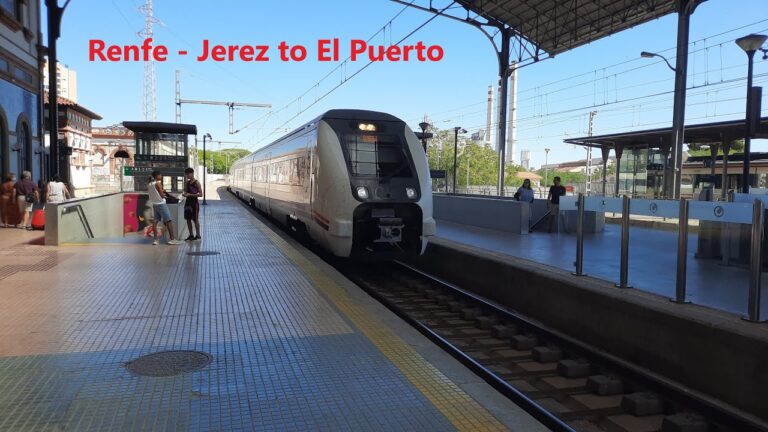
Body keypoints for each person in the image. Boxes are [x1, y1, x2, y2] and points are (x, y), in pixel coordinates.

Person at [147, 171, 181, 245]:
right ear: (157, 176)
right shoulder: (158, 183)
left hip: (155, 205)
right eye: (160, 175)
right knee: (168, 221)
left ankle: (156, 240)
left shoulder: (149, 184)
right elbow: (162, 195)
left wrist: (161, 191)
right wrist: (164, 193)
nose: (161, 176)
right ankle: (172, 239)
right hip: (161, 204)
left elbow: (155, 193)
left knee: (155, 222)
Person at [182, 167, 202, 241]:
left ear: (192, 173)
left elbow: (200, 194)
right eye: (186, 174)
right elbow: (185, 191)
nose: (187, 176)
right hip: (188, 203)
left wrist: (190, 195)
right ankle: (191, 235)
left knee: (195, 219)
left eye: (188, 174)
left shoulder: (197, 183)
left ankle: (198, 235)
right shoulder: (187, 183)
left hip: (194, 204)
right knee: (188, 219)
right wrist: (184, 193)